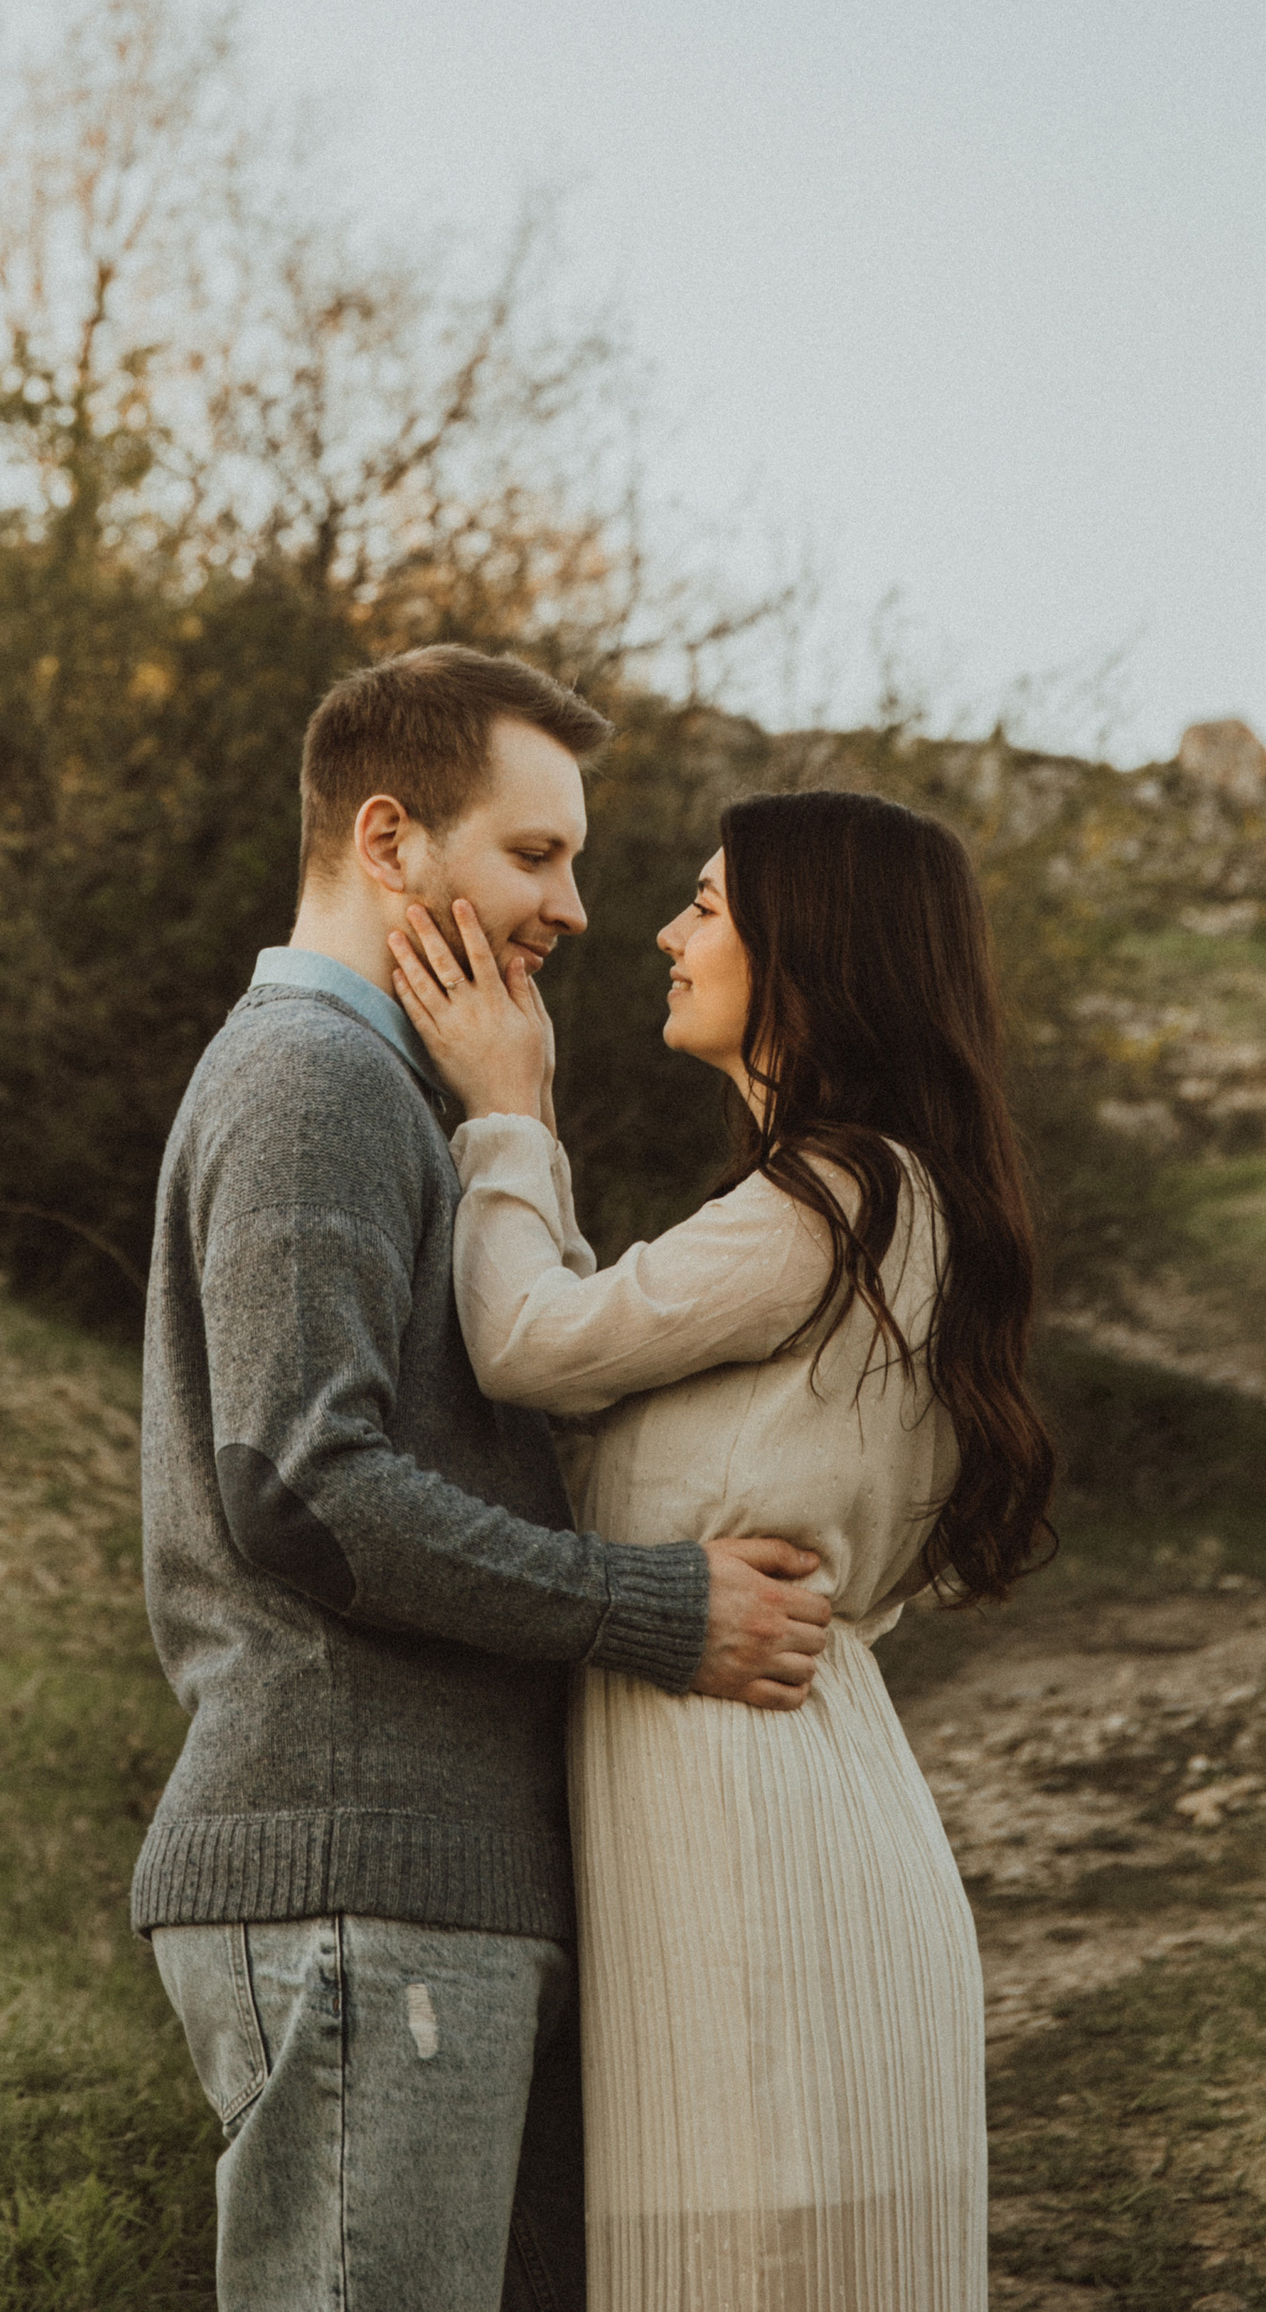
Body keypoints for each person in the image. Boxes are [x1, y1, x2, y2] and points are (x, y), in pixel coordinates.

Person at [134, 648, 838, 2312]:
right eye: (536, 856)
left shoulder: (388, 1090)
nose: (579, 909)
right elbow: (301, 1489)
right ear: (388, 842)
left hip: (430, 1889)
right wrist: (661, 1611)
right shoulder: (308, 1080)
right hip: (352, 1875)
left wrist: (510, 1124)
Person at [389, 784, 1056, 2312]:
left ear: (807, 954)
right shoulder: (885, 1201)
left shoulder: (830, 1197)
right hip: (793, 1776)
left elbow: (528, 1340)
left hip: (741, 1810)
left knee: (739, 2263)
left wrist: (507, 1112)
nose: (669, 936)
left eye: (706, 907)